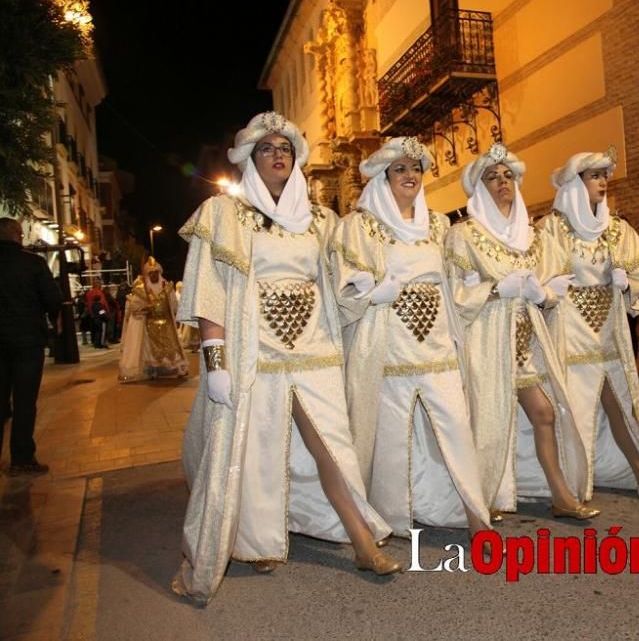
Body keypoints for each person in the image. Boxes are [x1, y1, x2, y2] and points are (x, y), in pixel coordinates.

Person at [171, 112, 398, 607]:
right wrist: (216, 362)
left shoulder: (320, 219)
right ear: (251, 158)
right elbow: (210, 292)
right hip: (257, 351)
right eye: (267, 148)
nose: (278, 155)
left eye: (286, 148)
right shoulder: (223, 215)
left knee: (329, 444)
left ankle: (362, 541)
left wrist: (363, 288)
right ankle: (254, 541)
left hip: (314, 348)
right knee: (254, 451)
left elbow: (336, 284)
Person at [331, 136, 492, 538]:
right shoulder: (359, 225)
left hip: (437, 342)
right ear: (384, 177)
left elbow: (456, 280)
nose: (410, 176)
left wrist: (471, 284)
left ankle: (476, 518)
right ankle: (392, 511)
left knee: (454, 424)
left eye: (415, 169)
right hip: (386, 344)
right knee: (392, 434)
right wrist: (372, 293)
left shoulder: (439, 225)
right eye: (400, 169)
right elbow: (344, 282)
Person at [444, 143, 597, 521]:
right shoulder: (464, 235)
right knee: (488, 417)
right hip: (485, 340)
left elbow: (556, 276)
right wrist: (496, 290)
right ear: (480, 186)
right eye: (492, 178)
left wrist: (544, 293)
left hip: (525, 341)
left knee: (544, 412)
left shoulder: (533, 236)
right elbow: (455, 294)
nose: (501, 183)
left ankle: (560, 494)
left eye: (507, 176)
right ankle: (484, 496)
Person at [537, 148, 639, 501]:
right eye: (594, 176)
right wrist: (550, 289)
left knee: (619, 400)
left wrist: (626, 283)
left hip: (608, 330)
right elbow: (539, 278)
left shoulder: (617, 229)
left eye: (605, 175)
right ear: (576, 182)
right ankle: (573, 480)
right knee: (576, 405)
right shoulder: (551, 228)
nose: (603, 182)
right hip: (569, 330)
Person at [0, 218, 61, 475]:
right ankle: (22, 458)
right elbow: (53, 297)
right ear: (17, 235)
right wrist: (53, 319)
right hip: (28, 343)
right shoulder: (33, 263)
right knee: (25, 402)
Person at [117, 258, 189, 382]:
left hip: (167, 325)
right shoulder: (142, 289)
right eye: (151, 273)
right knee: (150, 352)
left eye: (156, 272)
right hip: (149, 325)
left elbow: (174, 304)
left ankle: (172, 369)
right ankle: (153, 371)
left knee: (170, 350)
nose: (154, 275)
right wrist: (146, 308)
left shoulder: (167, 286)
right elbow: (135, 307)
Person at [84, 278, 110, 348]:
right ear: (97, 285)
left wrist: (91, 313)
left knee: (94, 330)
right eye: (100, 284)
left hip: (92, 314)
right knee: (101, 330)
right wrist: (107, 313)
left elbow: (88, 304)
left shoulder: (89, 293)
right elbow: (103, 304)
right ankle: (101, 343)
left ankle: (95, 342)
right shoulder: (99, 293)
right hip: (100, 316)